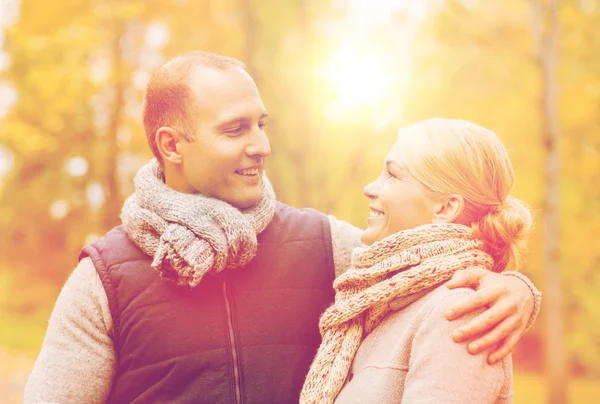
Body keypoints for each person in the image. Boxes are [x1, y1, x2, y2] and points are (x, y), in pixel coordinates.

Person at [24, 52, 540, 404]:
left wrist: (516, 290)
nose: (261, 145)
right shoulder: (104, 281)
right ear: (172, 145)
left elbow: (425, 267)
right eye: (235, 129)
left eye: (261, 123)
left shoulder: (327, 246)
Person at [300, 118, 536, 404]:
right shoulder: (383, 302)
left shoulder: (458, 313)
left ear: (446, 207)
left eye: (393, 175)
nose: (369, 188)